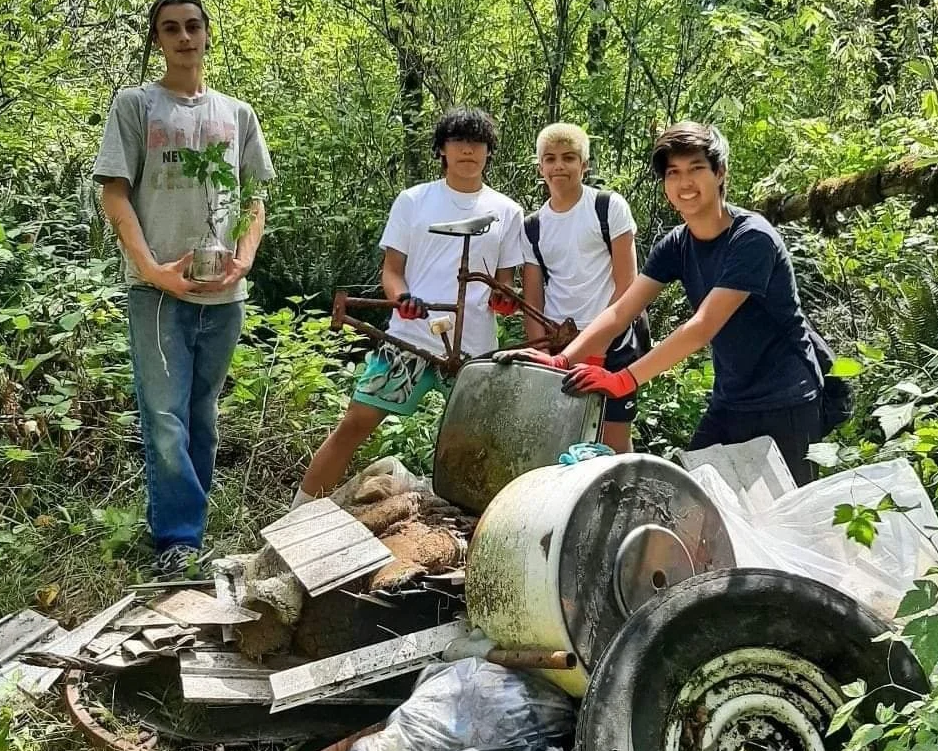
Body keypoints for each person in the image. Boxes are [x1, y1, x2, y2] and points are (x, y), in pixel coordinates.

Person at [501, 122, 824, 485]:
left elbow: (702, 327)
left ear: (720, 173)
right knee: (693, 503)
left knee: (790, 518)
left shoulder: (752, 239)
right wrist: (562, 359)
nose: (685, 183)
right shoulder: (677, 243)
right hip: (731, 397)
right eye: (674, 173)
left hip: (787, 399)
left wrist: (624, 378)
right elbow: (622, 309)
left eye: (696, 169)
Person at [94, 0, 274, 577]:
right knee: (164, 415)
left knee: (202, 413)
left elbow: (255, 197)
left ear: (206, 33)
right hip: (156, 293)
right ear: (157, 39)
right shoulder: (136, 106)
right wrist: (151, 270)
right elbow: (113, 192)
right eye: (170, 28)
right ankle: (177, 540)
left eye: (192, 25)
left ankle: (189, 530)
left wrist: (245, 257)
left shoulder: (237, 114)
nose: (183, 37)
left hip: (224, 293)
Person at [296, 107, 524, 502]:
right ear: (442, 149)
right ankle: (294, 516)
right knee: (355, 423)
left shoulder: (507, 210)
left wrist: (505, 299)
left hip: (474, 350)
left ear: (489, 151)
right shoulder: (414, 200)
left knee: (478, 446)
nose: (468, 151)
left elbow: (504, 284)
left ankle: (475, 530)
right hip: (408, 340)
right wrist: (402, 299)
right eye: (458, 142)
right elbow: (392, 271)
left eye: (478, 143)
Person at [521, 123, 639, 452]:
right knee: (562, 439)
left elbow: (628, 284)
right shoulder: (532, 227)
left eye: (569, 158)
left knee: (614, 444)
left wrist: (598, 345)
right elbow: (533, 299)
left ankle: (627, 499)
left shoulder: (608, 207)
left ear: (584, 165)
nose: (560, 166)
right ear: (540, 166)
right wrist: (542, 355)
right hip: (559, 345)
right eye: (551, 158)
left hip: (613, 343)